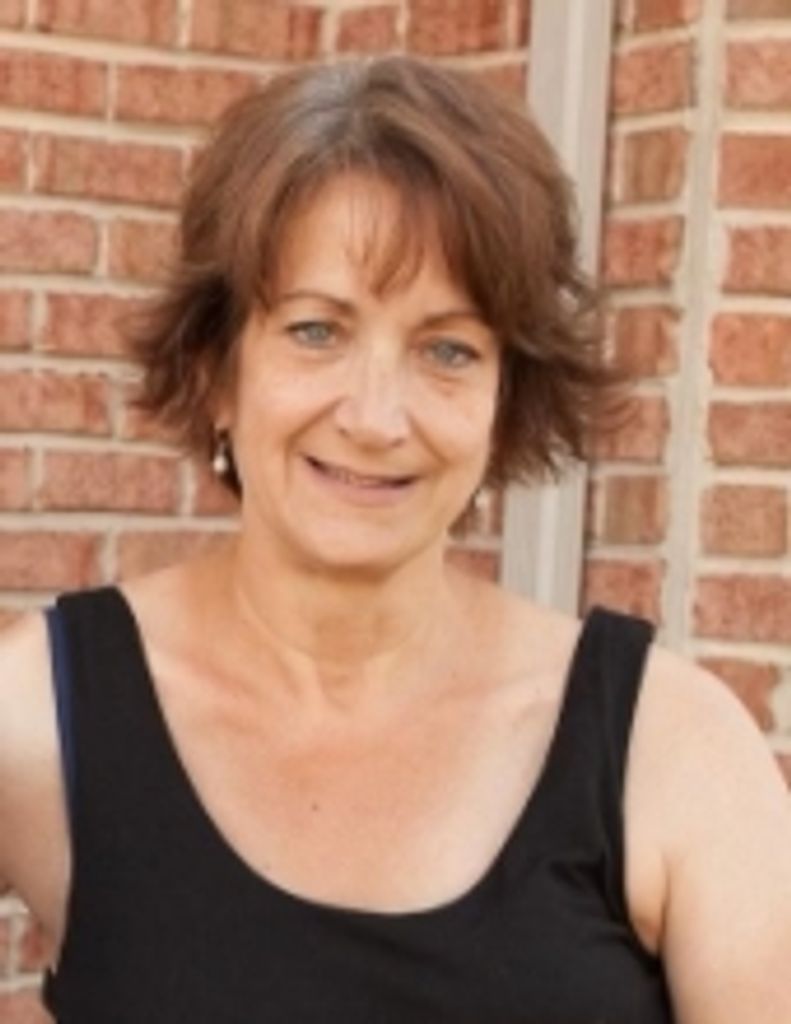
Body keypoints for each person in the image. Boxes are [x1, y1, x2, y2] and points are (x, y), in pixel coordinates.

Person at [1, 55, 790, 1024]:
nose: (375, 417)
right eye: (315, 331)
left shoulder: (668, 747)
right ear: (214, 370)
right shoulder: (38, 716)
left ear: (504, 403)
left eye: (446, 349)